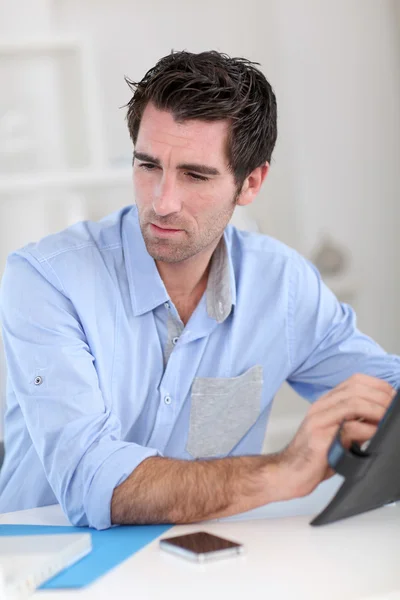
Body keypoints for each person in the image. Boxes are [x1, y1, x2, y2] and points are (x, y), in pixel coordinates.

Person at [0, 50, 398, 530]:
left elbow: (387, 394)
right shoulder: (45, 280)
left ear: (251, 182)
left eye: (194, 174)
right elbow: (92, 481)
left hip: (202, 556)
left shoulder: (283, 287)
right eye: (148, 166)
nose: (162, 202)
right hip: (41, 560)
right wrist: (283, 470)